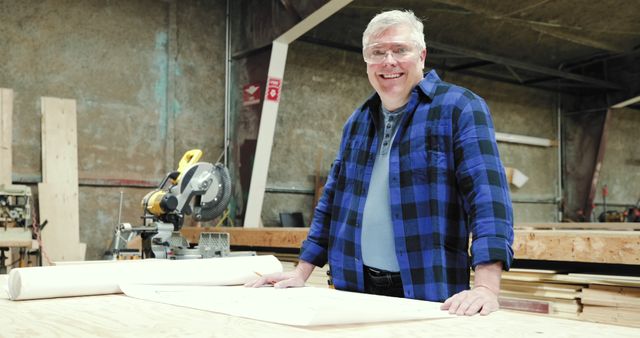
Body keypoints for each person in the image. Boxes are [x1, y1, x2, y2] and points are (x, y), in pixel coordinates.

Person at [247, 9, 514, 316]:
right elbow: (332, 202)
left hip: (427, 288)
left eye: (400, 50)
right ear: (367, 61)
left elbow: (488, 198)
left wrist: (485, 287)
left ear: (422, 55)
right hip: (354, 286)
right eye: (377, 52)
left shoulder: (460, 108)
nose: (389, 61)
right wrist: (301, 270)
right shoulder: (357, 121)